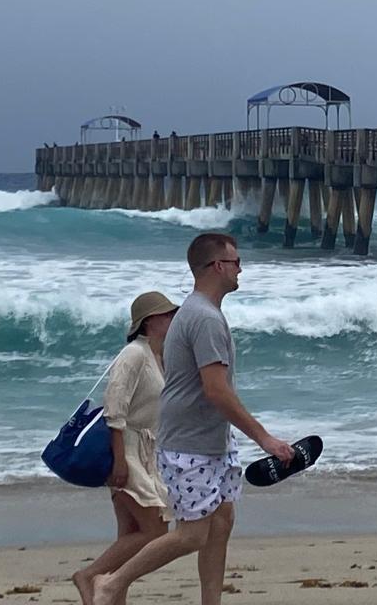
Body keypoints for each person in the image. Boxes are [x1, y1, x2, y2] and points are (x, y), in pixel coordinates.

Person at [92, 234, 294, 605]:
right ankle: (111, 583)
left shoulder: (202, 313)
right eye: (236, 263)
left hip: (214, 440)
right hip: (189, 445)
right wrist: (265, 439)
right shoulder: (202, 317)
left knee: (221, 523)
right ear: (217, 267)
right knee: (192, 534)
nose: (240, 269)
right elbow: (215, 390)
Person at [72, 292, 179, 605]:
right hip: (127, 450)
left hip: (147, 452)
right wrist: (120, 461)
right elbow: (114, 411)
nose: (173, 319)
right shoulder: (133, 354)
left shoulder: (158, 355)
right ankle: (90, 575)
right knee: (155, 532)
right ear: (149, 322)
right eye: (167, 314)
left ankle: (113, 594)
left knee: (130, 533)